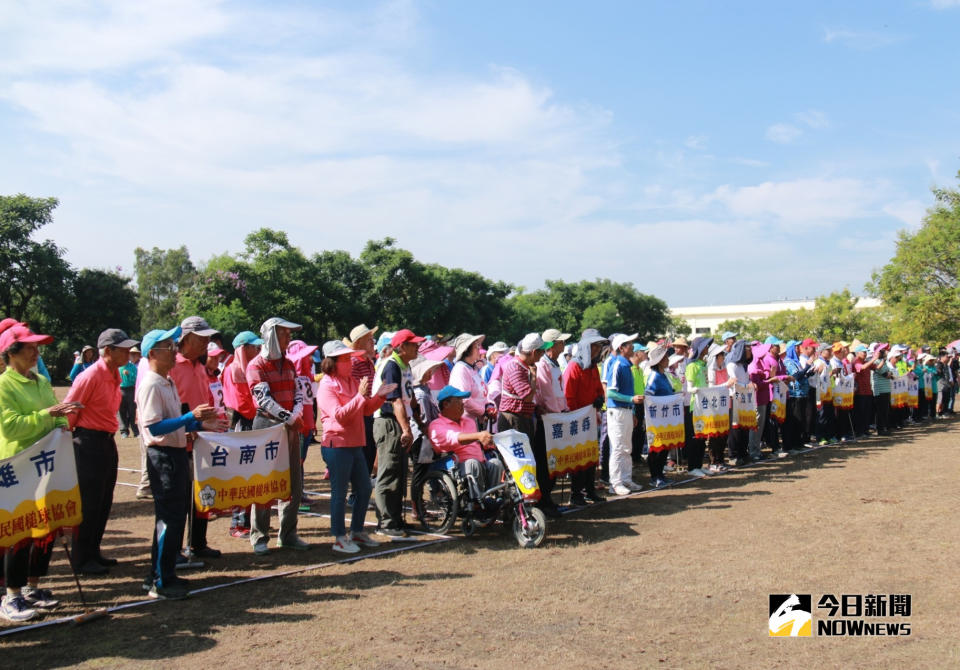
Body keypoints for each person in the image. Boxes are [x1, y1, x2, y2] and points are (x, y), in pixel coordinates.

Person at [0, 325, 82, 621]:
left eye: (38, 347)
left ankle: (34, 586)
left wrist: (60, 426)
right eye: (30, 348)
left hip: (45, 465)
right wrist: (47, 416)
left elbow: (52, 416)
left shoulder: (41, 381)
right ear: (12, 353)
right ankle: (11, 596)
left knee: (45, 527)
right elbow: (11, 426)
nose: (37, 352)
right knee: (20, 530)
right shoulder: (3, 385)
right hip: (19, 467)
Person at [137, 327, 223, 600]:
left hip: (174, 453)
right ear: (153, 353)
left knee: (175, 518)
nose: (174, 352)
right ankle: (160, 580)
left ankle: (165, 573)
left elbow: (175, 420)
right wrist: (190, 419)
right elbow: (154, 426)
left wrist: (203, 422)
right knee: (169, 519)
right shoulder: (151, 383)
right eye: (168, 348)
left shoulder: (167, 381)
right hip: (163, 457)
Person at [63, 328, 138, 575]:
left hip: (106, 440)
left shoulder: (115, 374)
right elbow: (70, 411)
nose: (128, 352)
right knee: (89, 503)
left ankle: (94, 552)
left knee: (104, 500)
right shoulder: (90, 376)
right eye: (123, 349)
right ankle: (82, 559)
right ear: (108, 351)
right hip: (88, 442)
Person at [316, 340, 395, 553]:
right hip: (337, 445)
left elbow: (366, 409)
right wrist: (361, 396)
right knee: (339, 493)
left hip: (355, 443)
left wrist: (380, 395)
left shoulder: (351, 381)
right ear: (333, 362)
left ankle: (357, 531)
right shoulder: (326, 385)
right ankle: (339, 537)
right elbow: (340, 416)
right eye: (345, 359)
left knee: (364, 488)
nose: (350, 362)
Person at [246, 317, 309, 554]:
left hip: (290, 427)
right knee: (265, 482)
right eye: (284, 334)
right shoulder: (256, 366)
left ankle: (288, 533)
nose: (288, 338)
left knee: (294, 481)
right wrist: (290, 417)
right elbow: (262, 399)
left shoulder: (290, 364)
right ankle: (260, 536)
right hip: (266, 426)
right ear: (272, 335)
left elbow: (298, 393)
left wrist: (296, 413)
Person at [169, 316, 222, 559]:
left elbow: (208, 401)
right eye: (203, 338)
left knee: (203, 493)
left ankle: (198, 542)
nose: (207, 342)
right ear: (187, 338)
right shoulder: (171, 365)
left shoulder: (200, 367)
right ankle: (176, 548)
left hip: (203, 441)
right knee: (178, 500)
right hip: (178, 441)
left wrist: (216, 419)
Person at [373, 329, 423, 538]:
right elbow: (395, 401)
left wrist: (417, 423)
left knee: (400, 472)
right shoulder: (391, 366)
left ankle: (396, 520)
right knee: (389, 471)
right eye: (413, 344)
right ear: (402, 347)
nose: (417, 347)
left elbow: (408, 398)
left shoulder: (405, 365)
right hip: (388, 422)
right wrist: (405, 429)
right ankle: (386, 523)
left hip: (400, 421)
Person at [498, 333, 553, 515]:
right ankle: (514, 506)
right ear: (533, 352)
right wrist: (534, 377)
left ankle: (525, 503)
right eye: (540, 352)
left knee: (526, 462)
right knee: (517, 464)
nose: (541, 356)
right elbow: (527, 395)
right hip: (513, 420)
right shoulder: (515, 367)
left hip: (523, 417)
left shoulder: (524, 366)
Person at [429, 385, 504, 506]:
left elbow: (476, 443)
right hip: (454, 467)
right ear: (446, 404)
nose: (462, 403)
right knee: (472, 463)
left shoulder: (469, 421)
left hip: (480, 463)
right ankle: (476, 502)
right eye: (458, 400)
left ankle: (492, 498)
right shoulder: (436, 425)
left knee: (496, 463)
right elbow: (453, 438)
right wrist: (478, 436)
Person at [221, 330, 262, 538]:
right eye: (254, 347)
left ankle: (249, 519)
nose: (258, 350)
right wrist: (262, 410)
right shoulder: (234, 370)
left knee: (254, 476)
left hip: (253, 424)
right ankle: (237, 524)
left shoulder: (251, 369)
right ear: (242, 349)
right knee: (242, 476)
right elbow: (241, 404)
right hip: (242, 426)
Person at [562, 329, 608, 504]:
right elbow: (568, 396)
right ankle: (576, 494)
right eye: (593, 346)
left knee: (590, 455)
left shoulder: (592, 367)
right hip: (576, 419)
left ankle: (589, 490)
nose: (596, 349)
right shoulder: (574, 366)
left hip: (589, 417)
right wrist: (577, 415)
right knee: (578, 456)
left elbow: (598, 389)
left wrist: (599, 399)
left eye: (598, 346)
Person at [533, 328, 570, 505]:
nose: (564, 345)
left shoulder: (554, 364)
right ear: (553, 345)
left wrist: (565, 409)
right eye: (561, 342)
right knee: (545, 462)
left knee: (554, 460)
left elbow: (559, 392)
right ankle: (544, 499)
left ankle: (548, 497)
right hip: (547, 420)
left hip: (556, 417)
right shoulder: (543, 364)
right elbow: (546, 394)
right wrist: (558, 413)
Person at [604, 333, 644, 493]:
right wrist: (631, 399)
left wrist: (632, 410)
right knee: (618, 447)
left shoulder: (626, 365)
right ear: (621, 348)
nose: (632, 347)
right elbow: (611, 393)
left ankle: (626, 479)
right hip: (617, 411)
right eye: (629, 344)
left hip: (626, 410)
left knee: (627, 447)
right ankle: (615, 483)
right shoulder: (617, 365)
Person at [348, 324, 379, 475]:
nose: (373, 343)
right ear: (359, 343)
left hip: (370, 412)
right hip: (361, 415)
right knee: (364, 455)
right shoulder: (353, 363)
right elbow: (354, 392)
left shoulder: (368, 362)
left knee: (370, 452)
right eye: (369, 340)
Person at [644, 343, 676, 487]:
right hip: (656, 419)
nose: (668, 359)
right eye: (665, 357)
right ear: (659, 360)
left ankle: (661, 474)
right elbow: (648, 395)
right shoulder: (654, 377)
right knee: (656, 448)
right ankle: (654, 477)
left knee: (664, 447)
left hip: (666, 419)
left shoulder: (664, 375)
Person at [118, 346, 139, 438]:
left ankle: (136, 430)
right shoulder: (118, 367)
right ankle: (124, 431)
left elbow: (136, 379)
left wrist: (129, 374)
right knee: (121, 411)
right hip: (121, 390)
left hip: (131, 389)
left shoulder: (133, 367)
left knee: (132, 411)